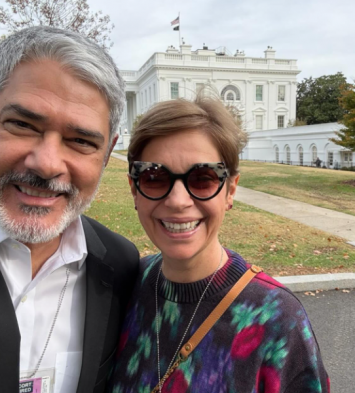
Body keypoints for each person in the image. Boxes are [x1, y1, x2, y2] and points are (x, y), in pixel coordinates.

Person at [0, 26, 139, 393]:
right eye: (22, 124)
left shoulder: (119, 266)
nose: (48, 164)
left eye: (80, 141)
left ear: (107, 152)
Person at [107, 96, 329, 392]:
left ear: (230, 191)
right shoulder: (130, 283)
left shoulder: (277, 318)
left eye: (202, 178)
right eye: (154, 177)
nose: (177, 200)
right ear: (134, 190)